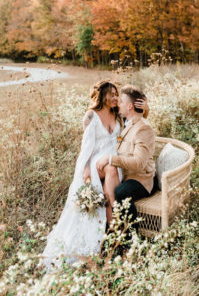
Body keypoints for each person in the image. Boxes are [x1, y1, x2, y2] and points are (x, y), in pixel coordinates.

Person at [39, 81, 147, 271]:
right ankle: (116, 220)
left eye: (117, 95)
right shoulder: (91, 115)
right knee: (108, 169)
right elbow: (86, 147)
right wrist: (86, 167)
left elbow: (138, 118)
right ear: (102, 95)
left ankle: (111, 221)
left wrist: (145, 107)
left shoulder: (117, 114)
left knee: (111, 172)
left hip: (114, 162)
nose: (115, 98)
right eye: (112, 94)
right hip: (96, 162)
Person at [96, 85, 156, 229]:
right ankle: (106, 230)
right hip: (125, 174)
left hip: (141, 179)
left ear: (130, 106)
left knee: (121, 192)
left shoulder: (143, 128)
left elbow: (139, 163)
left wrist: (110, 159)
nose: (117, 103)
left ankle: (130, 238)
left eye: (121, 101)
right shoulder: (125, 122)